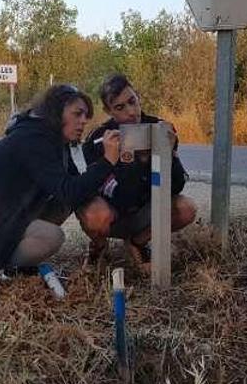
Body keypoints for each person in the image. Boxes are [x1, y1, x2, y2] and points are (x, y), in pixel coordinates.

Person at [0, 84, 121, 311]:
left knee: (63, 204)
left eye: (86, 116)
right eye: (77, 114)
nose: (83, 121)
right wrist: (107, 161)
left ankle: (15, 267)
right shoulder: (34, 140)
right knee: (52, 238)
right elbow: (70, 189)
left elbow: (73, 188)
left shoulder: (51, 139)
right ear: (56, 111)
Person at [80, 73, 197, 270]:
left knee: (186, 208)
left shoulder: (160, 127)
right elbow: (119, 196)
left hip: (145, 209)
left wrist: (166, 152)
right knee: (94, 214)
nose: (131, 112)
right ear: (109, 111)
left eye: (132, 101)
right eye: (120, 107)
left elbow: (176, 185)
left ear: (138, 97)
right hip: (113, 214)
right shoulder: (99, 140)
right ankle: (98, 248)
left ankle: (138, 241)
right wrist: (130, 158)